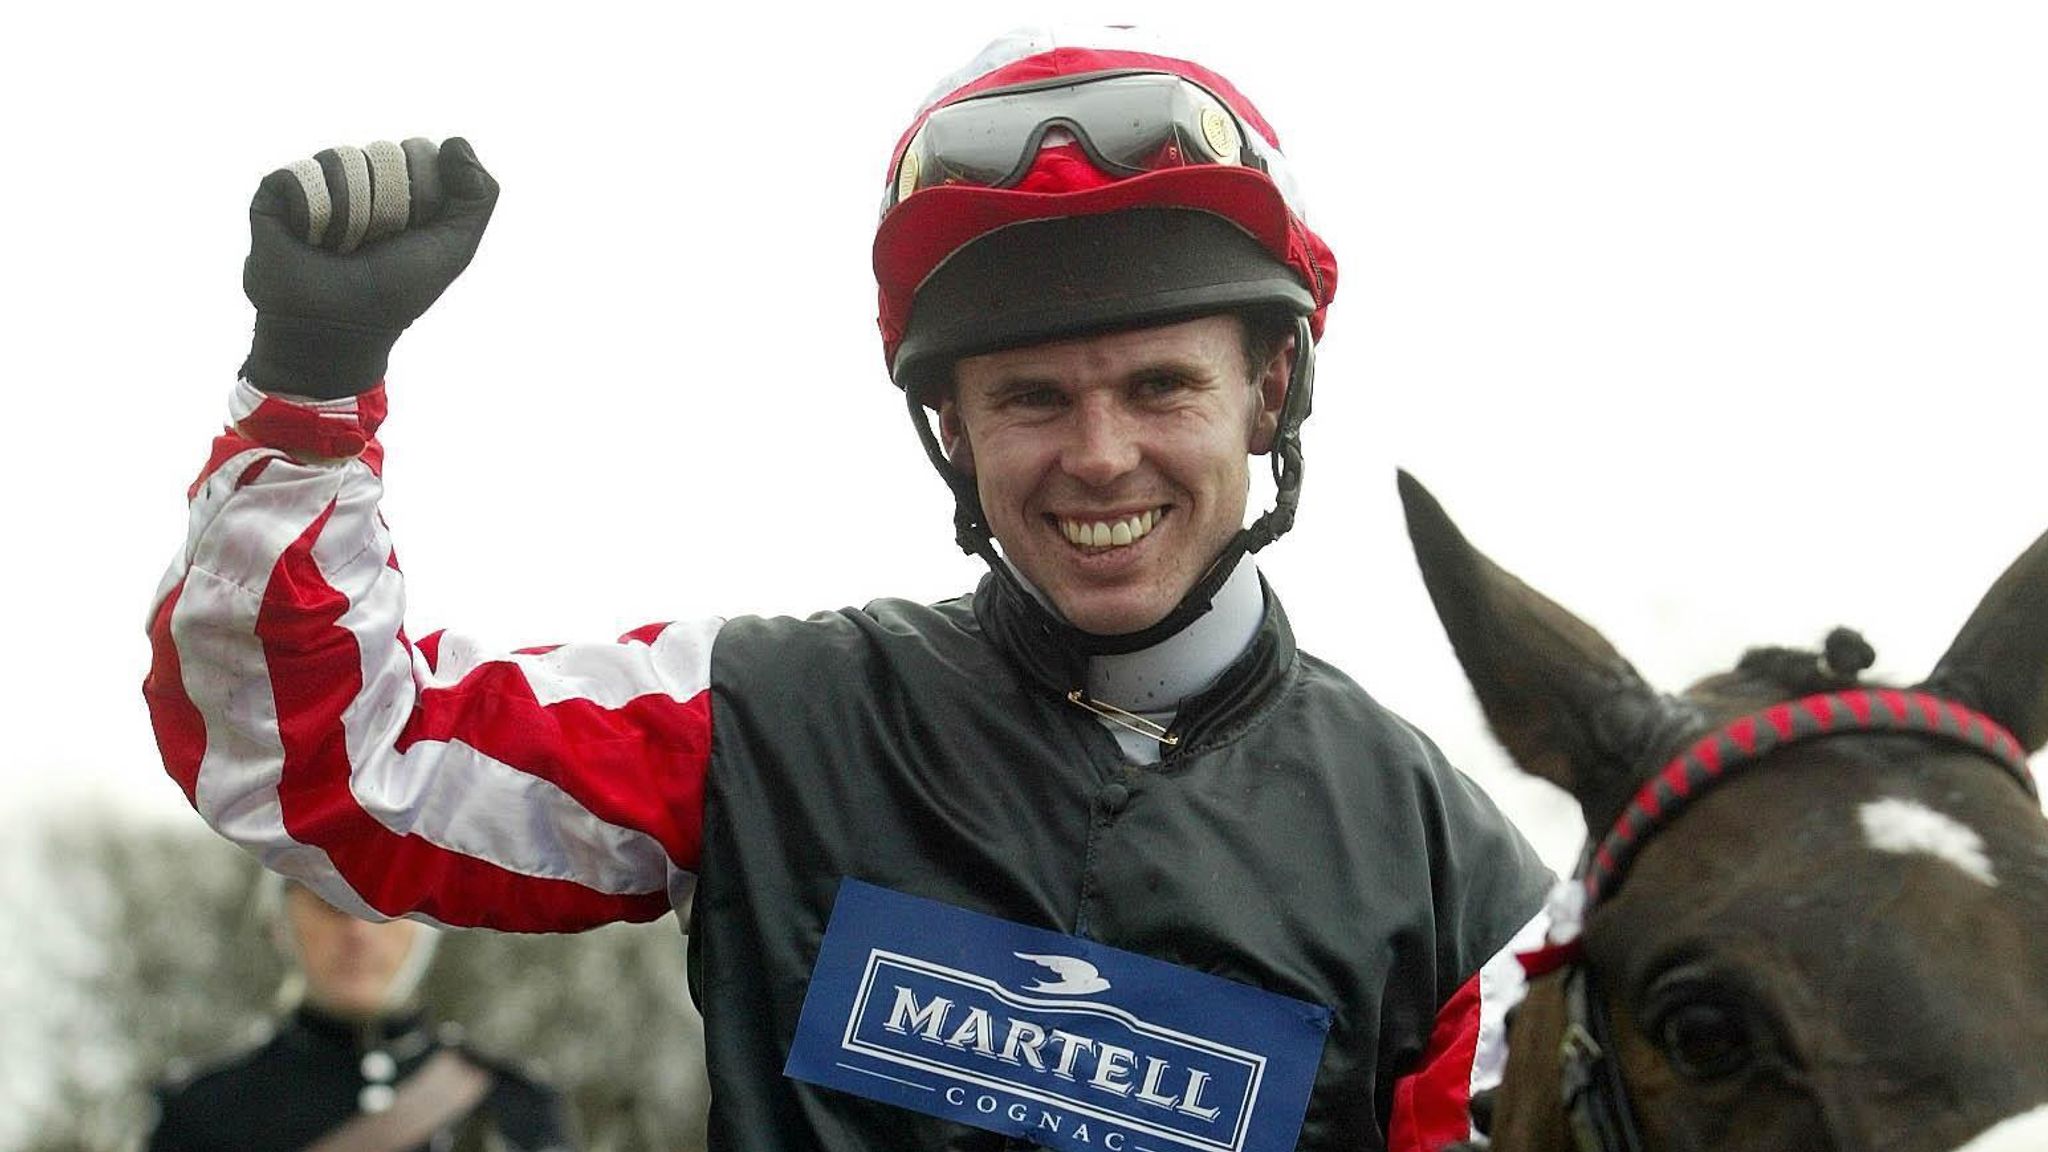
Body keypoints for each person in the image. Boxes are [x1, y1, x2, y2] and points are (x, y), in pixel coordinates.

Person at [144, 26, 1552, 1152]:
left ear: (1271, 390)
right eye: (1031, 398)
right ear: (949, 429)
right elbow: (337, 764)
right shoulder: (766, 718)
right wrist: (311, 395)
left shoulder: (1460, 891)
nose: (1099, 456)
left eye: (1162, 385)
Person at [145, 877, 576, 1151]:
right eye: (328, 901)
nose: (358, 933)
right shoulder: (204, 1113)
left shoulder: (516, 1106)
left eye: (386, 906)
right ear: (279, 921)